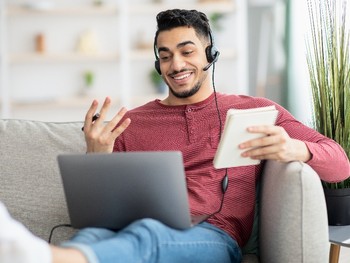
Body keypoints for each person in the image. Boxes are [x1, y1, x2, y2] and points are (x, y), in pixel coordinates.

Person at [1, 8, 349, 263]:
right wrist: (97, 154)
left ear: (210, 54)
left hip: (214, 237)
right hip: (130, 230)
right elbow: (100, 213)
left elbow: (340, 164)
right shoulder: (131, 123)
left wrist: (294, 148)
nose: (176, 65)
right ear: (157, 65)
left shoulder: (251, 109)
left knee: (148, 236)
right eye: (165, 56)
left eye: (187, 51)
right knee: (94, 236)